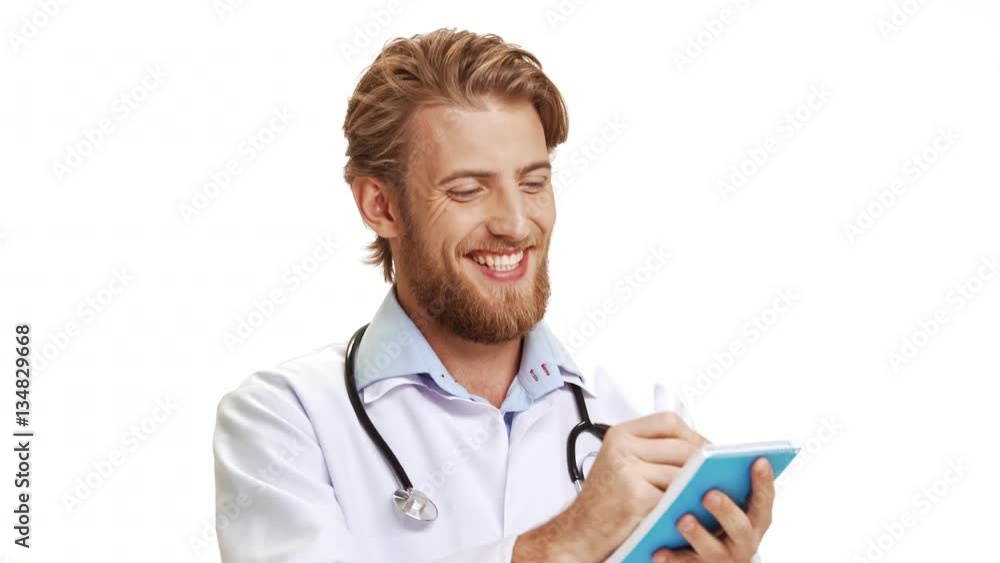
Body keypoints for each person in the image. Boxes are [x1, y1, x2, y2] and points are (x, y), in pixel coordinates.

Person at [212, 28, 774, 563]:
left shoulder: (642, 414)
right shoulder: (284, 418)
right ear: (381, 206)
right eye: (467, 190)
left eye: (533, 183)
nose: (516, 223)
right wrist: (566, 541)